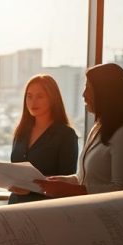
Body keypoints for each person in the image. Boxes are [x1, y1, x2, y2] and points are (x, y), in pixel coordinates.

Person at [35, 63, 123, 198]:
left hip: (105, 216)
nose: (83, 94)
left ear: (104, 93)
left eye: (88, 88)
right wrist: (61, 181)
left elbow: (122, 190)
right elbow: (85, 179)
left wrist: (72, 190)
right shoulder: (99, 128)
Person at [7, 74, 79, 204]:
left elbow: (66, 183)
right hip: (15, 205)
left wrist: (31, 189)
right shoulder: (21, 131)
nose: (33, 102)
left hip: (44, 208)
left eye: (40, 96)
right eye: (29, 96)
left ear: (52, 99)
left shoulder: (66, 135)